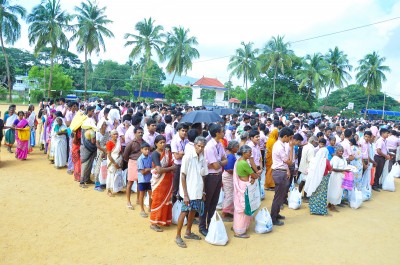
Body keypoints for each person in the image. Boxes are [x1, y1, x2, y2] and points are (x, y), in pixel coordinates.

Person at [175, 136, 208, 248]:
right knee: (184, 212)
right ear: (194, 145)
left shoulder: (203, 157)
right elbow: (183, 175)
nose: (200, 148)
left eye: (202, 146)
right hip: (188, 190)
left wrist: (203, 192)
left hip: (197, 190)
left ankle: (188, 232)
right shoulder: (188, 156)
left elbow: (203, 176)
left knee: (193, 211)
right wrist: (185, 195)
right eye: (198, 146)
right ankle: (178, 236)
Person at [200, 123, 228, 237]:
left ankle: (210, 223)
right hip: (210, 176)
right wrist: (218, 164)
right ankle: (202, 226)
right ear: (217, 133)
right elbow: (217, 165)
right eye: (222, 131)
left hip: (217, 175)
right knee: (206, 202)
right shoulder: (210, 146)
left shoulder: (219, 144)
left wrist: (218, 164)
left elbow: (224, 161)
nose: (224, 132)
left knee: (214, 201)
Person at [150, 135, 176, 232]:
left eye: (164, 142)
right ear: (156, 144)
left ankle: (164, 220)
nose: (163, 144)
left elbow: (173, 165)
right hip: (158, 180)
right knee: (157, 200)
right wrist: (170, 169)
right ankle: (154, 222)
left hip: (168, 181)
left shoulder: (167, 153)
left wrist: (169, 169)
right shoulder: (155, 154)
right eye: (160, 142)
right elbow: (159, 170)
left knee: (167, 200)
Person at [232, 145, 260, 238]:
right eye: (249, 152)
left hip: (241, 184)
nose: (251, 154)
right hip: (244, 186)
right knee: (244, 209)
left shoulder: (239, 161)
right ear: (244, 153)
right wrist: (257, 174)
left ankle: (238, 227)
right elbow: (254, 175)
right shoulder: (243, 163)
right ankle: (239, 231)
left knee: (239, 208)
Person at [270, 127, 294, 226]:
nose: (290, 140)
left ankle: (276, 213)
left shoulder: (280, 144)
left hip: (280, 171)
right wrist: (291, 148)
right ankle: (273, 217)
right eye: (290, 138)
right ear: (285, 136)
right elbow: (289, 162)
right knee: (278, 196)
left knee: (280, 195)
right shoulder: (279, 146)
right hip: (279, 172)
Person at [305, 144, 332, 216]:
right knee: (322, 194)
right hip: (323, 179)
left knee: (315, 192)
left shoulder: (314, 159)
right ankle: (321, 210)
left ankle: (313, 209)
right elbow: (330, 169)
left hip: (314, 179)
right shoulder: (326, 161)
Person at [123, 127, 145, 209]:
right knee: (130, 182)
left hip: (141, 164)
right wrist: (131, 161)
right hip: (132, 162)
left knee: (140, 182)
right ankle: (128, 201)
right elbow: (125, 155)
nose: (140, 134)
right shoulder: (131, 143)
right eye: (139, 132)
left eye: (141, 132)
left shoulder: (144, 142)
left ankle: (138, 199)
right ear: (135, 133)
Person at [171, 123, 189, 203]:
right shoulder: (174, 140)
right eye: (182, 131)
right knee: (175, 187)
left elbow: (182, 154)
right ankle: (173, 206)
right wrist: (184, 154)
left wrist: (182, 153)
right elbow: (177, 156)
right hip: (177, 165)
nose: (184, 133)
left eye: (185, 131)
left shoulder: (186, 140)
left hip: (185, 165)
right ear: (178, 130)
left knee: (184, 186)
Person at [221, 140, 239, 222]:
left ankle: (228, 211)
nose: (238, 148)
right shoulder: (231, 156)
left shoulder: (229, 154)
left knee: (229, 194)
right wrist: (237, 172)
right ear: (232, 148)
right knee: (229, 195)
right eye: (237, 147)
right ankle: (224, 214)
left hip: (227, 176)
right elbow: (228, 169)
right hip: (228, 176)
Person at [327, 145, 348, 212]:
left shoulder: (343, 158)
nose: (341, 152)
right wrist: (343, 171)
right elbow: (333, 169)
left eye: (342, 151)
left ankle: (330, 204)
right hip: (336, 177)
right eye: (340, 151)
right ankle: (332, 205)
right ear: (336, 151)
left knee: (338, 191)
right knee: (335, 190)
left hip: (341, 176)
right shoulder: (335, 158)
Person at [93, 120, 111, 191]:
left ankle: (104, 182)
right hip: (100, 151)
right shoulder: (98, 133)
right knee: (98, 167)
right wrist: (104, 151)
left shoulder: (107, 133)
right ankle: (97, 184)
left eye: (106, 125)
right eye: (104, 125)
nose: (105, 126)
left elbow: (108, 142)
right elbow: (97, 144)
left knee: (105, 166)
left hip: (106, 151)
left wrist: (107, 151)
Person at [137, 142, 153, 218]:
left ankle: (150, 207)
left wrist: (147, 169)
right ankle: (142, 209)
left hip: (149, 179)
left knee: (151, 194)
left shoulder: (150, 158)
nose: (147, 151)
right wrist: (149, 169)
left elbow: (148, 169)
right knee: (142, 195)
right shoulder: (140, 159)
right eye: (145, 149)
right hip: (142, 180)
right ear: (141, 150)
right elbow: (143, 172)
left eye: (148, 149)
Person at [105, 130, 122, 197]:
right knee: (110, 174)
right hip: (112, 161)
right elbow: (109, 155)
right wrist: (114, 163)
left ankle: (117, 188)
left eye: (117, 134)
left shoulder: (118, 142)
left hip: (118, 159)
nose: (116, 135)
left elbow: (120, 152)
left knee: (118, 174)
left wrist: (121, 160)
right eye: (114, 134)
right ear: (111, 135)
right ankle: (109, 190)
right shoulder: (109, 143)